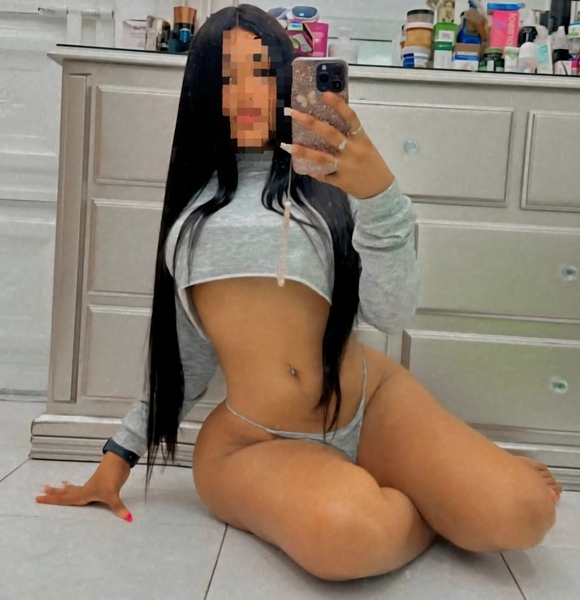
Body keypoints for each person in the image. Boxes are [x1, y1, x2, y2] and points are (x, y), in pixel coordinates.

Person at [36, 4, 562, 582]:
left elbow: (391, 313)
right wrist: (115, 461)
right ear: (203, 95)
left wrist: (381, 197)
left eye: (262, 73)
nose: (247, 95)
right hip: (254, 442)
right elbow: (186, 365)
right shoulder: (188, 228)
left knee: (524, 514)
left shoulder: (330, 188)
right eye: (227, 79)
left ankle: (411, 496)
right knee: (349, 540)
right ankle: (421, 506)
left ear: (288, 79)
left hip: (370, 403)